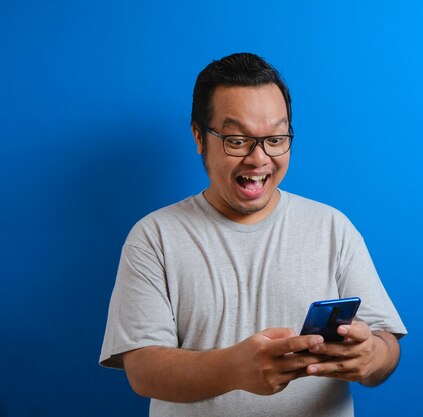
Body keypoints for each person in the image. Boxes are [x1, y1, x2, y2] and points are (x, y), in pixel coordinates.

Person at [100, 52, 407, 417]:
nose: (259, 159)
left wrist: (371, 356)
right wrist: (234, 369)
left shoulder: (332, 227)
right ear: (200, 136)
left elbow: (386, 345)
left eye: (276, 139)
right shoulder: (154, 237)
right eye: (237, 140)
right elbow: (142, 370)